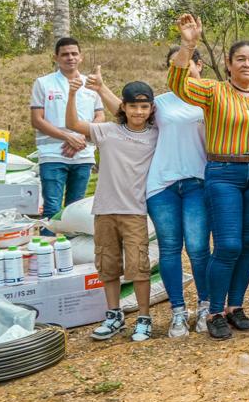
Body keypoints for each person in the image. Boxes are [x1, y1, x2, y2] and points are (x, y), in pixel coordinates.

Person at [85, 51, 210, 339]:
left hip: (197, 182)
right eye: (172, 65)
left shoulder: (209, 99)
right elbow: (128, 110)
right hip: (162, 186)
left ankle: (206, 306)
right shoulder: (161, 103)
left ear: (199, 65)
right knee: (169, 249)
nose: (178, 69)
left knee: (198, 248)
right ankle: (178, 311)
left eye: (186, 63)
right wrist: (102, 88)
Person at [168, 14, 249, 341]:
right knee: (226, 244)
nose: (247, 64)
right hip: (224, 173)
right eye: (240, 59)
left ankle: (234, 307)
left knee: (247, 244)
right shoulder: (214, 91)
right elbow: (178, 84)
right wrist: (188, 45)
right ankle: (214, 309)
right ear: (228, 64)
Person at [65, 77, 158, 342]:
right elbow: (73, 125)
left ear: (151, 109)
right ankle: (114, 315)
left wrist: (102, 87)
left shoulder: (155, 135)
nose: (138, 112)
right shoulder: (108, 131)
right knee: (107, 265)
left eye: (144, 107)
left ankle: (143, 317)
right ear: (123, 108)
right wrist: (73, 94)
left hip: (135, 212)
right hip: (105, 210)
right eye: (132, 106)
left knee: (139, 266)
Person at [31, 37, 105, 233]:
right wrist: (67, 137)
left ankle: (69, 254)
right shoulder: (43, 83)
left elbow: (100, 115)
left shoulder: (91, 84)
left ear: (81, 57)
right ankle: (47, 256)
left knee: (76, 209)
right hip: (53, 154)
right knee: (52, 208)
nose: (70, 58)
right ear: (56, 57)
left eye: (74, 53)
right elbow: (37, 120)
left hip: (83, 154)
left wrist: (80, 138)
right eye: (64, 54)